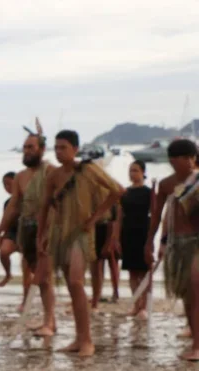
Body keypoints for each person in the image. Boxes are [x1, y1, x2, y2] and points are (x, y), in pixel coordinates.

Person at [38, 130, 124, 357]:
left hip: (82, 233)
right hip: (59, 233)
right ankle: (79, 337)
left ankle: (87, 341)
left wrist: (95, 218)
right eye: (56, 148)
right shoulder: (53, 176)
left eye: (63, 147)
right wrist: (41, 235)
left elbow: (117, 190)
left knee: (76, 282)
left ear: (75, 149)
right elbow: (45, 206)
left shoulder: (88, 169)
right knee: (71, 286)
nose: (58, 152)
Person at [147, 139, 199, 360]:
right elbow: (158, 215)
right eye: (171, 159)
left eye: (177, 159)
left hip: (196, 241)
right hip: (177, 243)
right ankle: (195, 339)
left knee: (196, 290)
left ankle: (198, 346)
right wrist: (151, 241)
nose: (173, 163)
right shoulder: (167, 184)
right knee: (187, 294)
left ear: (190, 159)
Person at [0, 132, 53, 316]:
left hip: (47, 230)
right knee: (36, 274)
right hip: (26, 229)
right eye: (25, 147)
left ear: (42, 150)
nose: (27, 151)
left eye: (31, 147)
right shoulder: (20, 177)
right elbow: (12, 208)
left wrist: (46, 232)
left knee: (45, 276)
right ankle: (47, 318)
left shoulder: (51, 172)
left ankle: (50, 319)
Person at [118, 161, 153, 318]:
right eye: (130, 170)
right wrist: (115, 237)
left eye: (135, 170)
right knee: (132, 271)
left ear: (142, 172)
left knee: (145, 271)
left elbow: (155, 214)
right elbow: (119, 215)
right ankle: (136, 304)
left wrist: (152, 237)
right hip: (127, 232)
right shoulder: (125, 192)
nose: (132, 174)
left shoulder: (149, 192)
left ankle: (144, 306)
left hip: (143, 231)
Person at [91, 175, 122, 308]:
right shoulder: (93, 194)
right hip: (96, 228)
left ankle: (115, 292)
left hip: (108, 227)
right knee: (97, 264)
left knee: (112, 261)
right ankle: (96, 295)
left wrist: (113, 238)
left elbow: (114, 218)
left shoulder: (112, 195)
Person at [0, 171, 19, 288]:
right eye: (5, 185)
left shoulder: (27, 198)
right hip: (12, 232)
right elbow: (5, 221)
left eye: (10, 184)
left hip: (27, 232)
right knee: (3, 251)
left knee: (31, 268)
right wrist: (0, 235)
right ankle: (8, 274)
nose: (7, 188)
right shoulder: (7, 203)